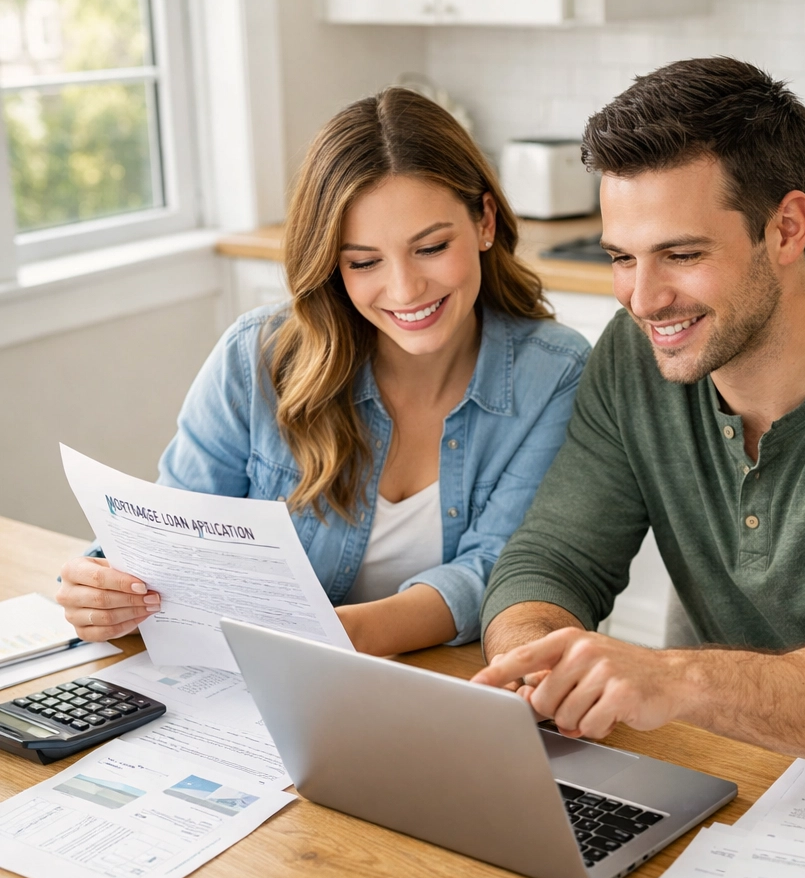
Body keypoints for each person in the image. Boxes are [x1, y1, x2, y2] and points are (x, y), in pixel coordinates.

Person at [474, 57, 805, 761]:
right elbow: (553, 558)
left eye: (680, 253)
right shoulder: (633, 353)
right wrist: (531, 663)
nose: (642, 299)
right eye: (622, 257)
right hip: (736, 769)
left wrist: (677, 679)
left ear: (788, 228)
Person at [56, 88, 590, 656]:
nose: (405, 289)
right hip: (260, 679)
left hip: (438, 689)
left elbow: (498, 568)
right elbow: (175, 537)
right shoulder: (256, 357)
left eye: (431, 247)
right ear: (332, 265)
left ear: (484, 221)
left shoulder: (553, 374)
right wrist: (106, 590)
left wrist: (332, 638)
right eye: (363, 262)